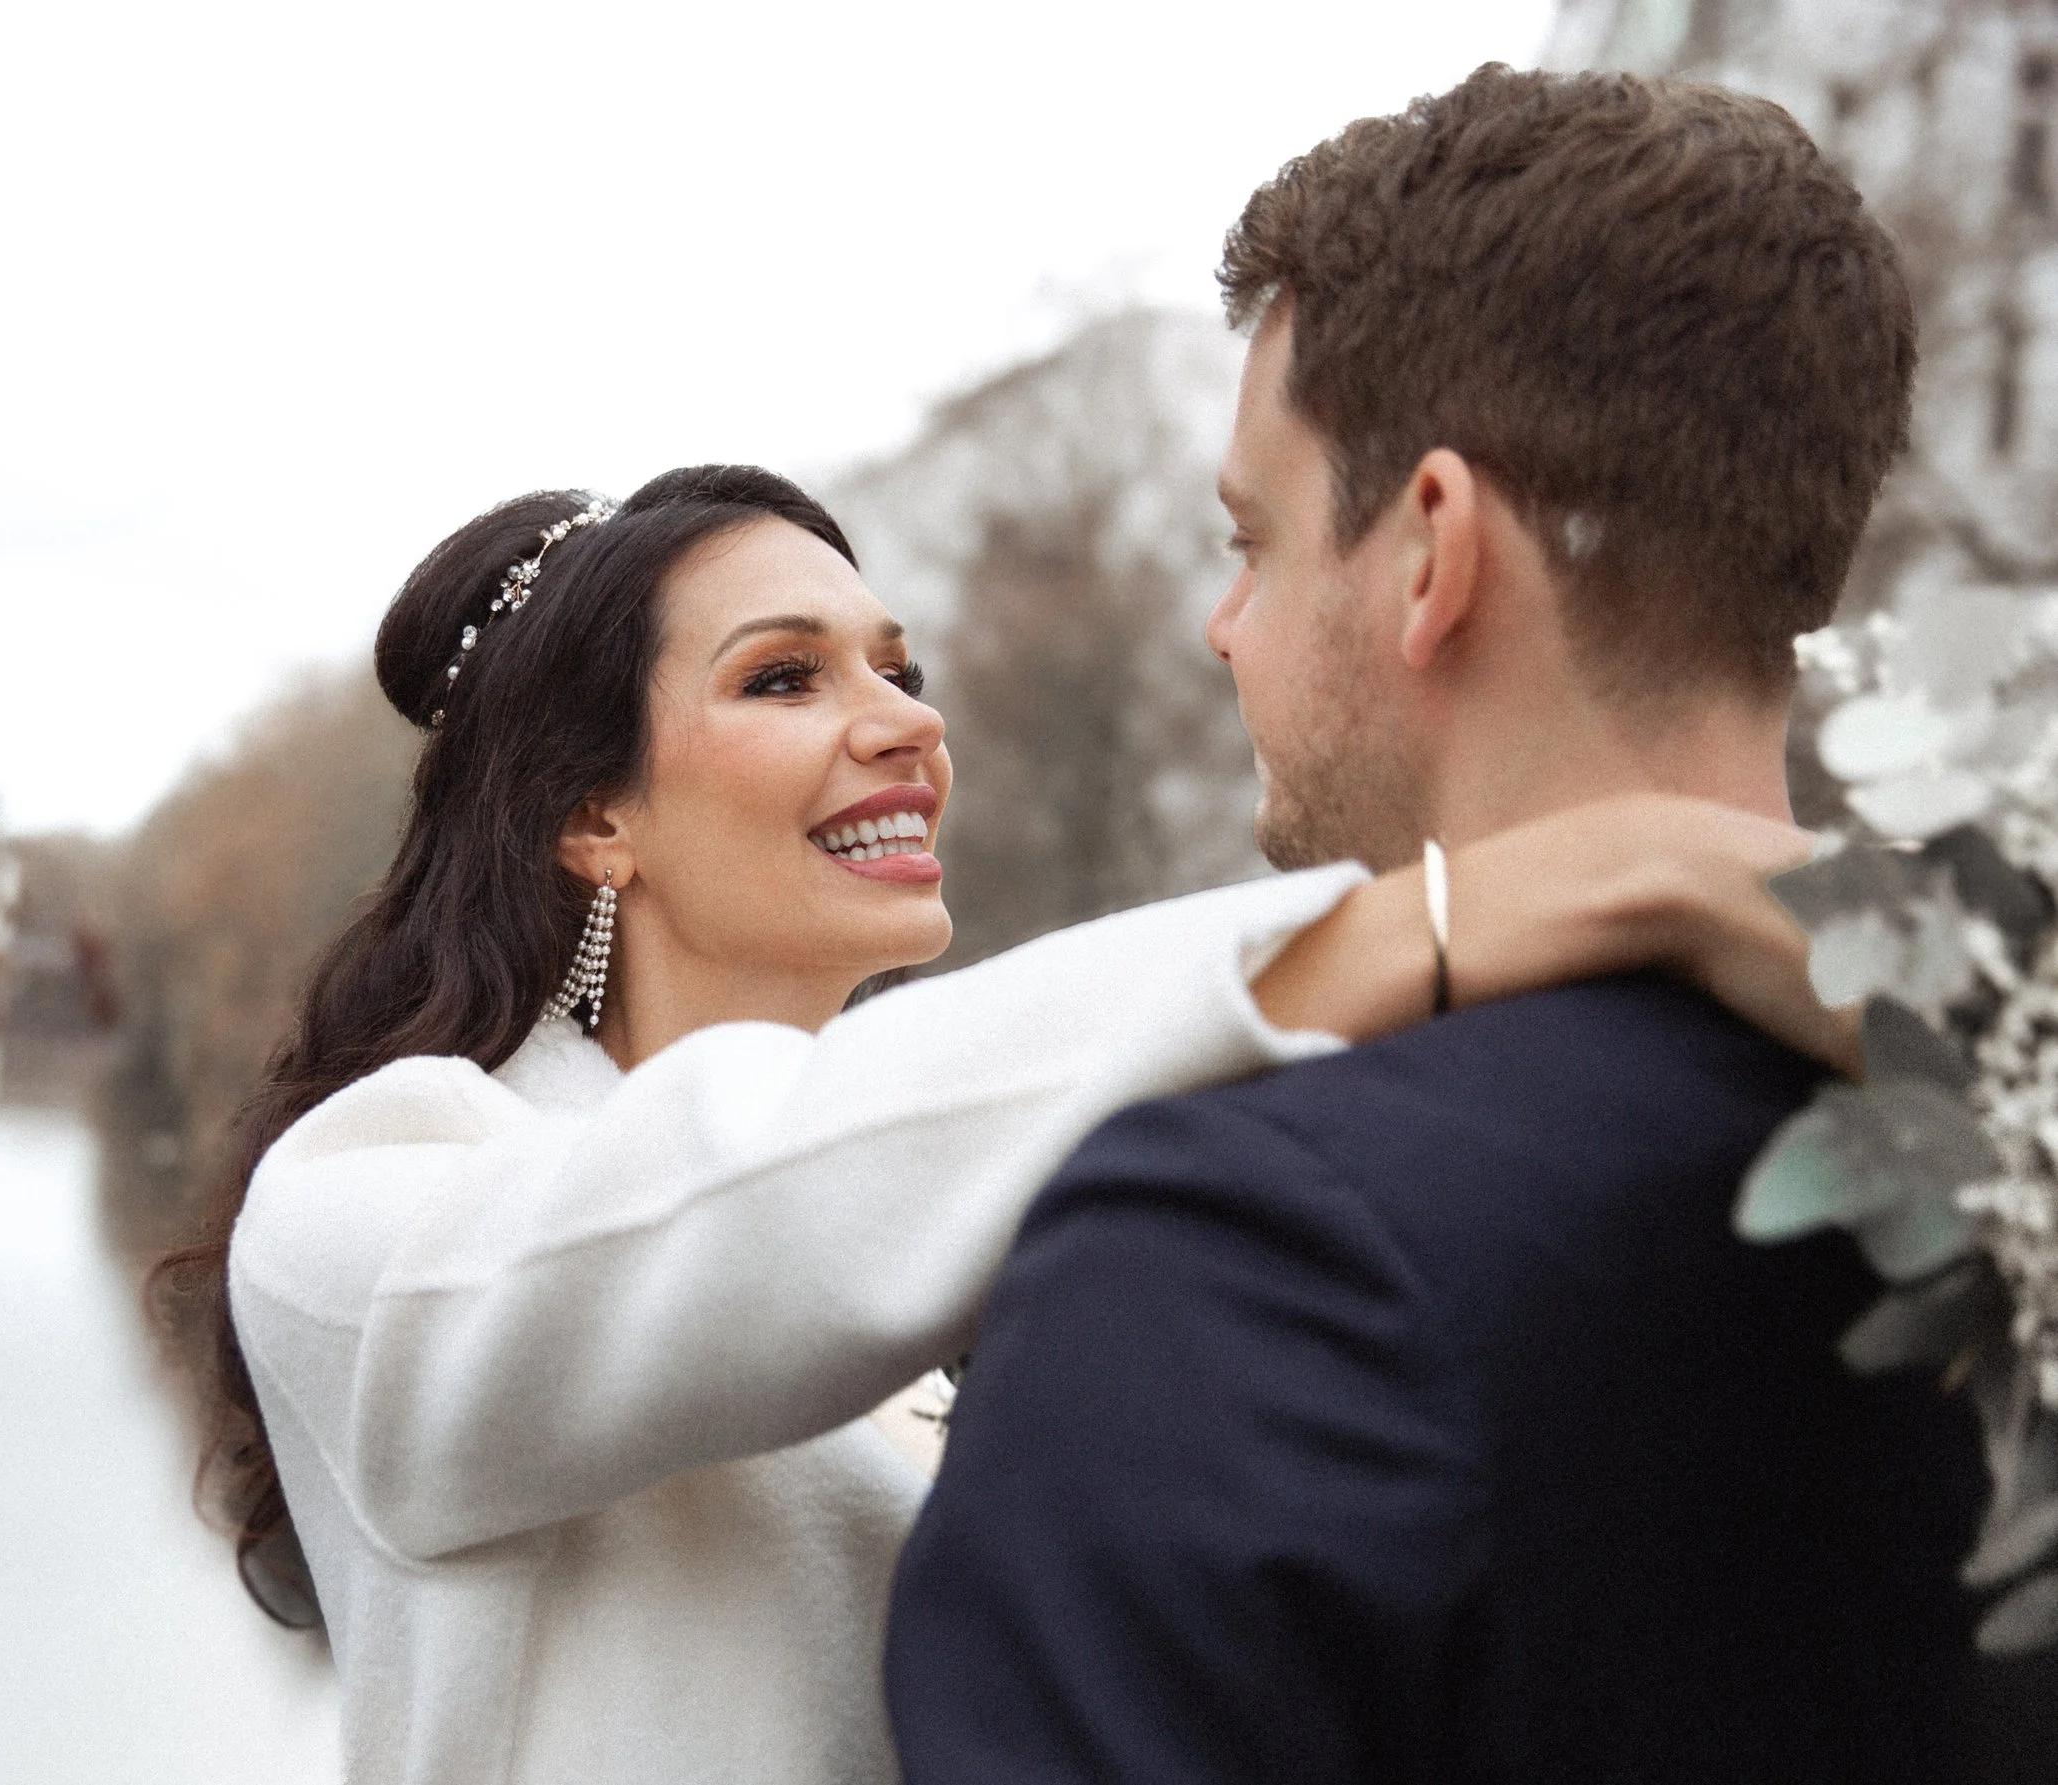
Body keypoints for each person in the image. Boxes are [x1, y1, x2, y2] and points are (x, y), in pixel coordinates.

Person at [170, 461, 1847, 1785]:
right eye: (785, 678)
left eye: (901, 668)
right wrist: (1538, 896)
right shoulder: (367, 1217)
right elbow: (735, 1209)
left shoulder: (954, 1239)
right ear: (590, 815)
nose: (904, 721)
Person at [883, 65, 1983, 1785]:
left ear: (1430, 554)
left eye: (1252, 540)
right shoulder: (2011, 1140)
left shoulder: (1242, 1255)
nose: (1222, 628)